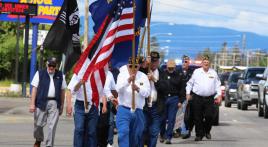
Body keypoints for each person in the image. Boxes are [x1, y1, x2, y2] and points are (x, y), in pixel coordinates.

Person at [29, 57, 67, 147]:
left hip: (54, 103)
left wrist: (62, 105)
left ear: (56, 66)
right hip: (41, 101)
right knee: (38, 125)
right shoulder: (40, 73)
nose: (51, 68)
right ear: (47, 64)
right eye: (50, 65)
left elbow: (62, 91)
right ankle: (38, 139)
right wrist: (32, 104)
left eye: (53, 66)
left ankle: (49, 145)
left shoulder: (61, 75)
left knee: (52, 126)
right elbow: (34, 89)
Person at [116, 57, 151, 147]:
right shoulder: (122, 75)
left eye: (136, 66)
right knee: (123, 132)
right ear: (128, 66)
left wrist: (138, 88)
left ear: (139, 66)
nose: (133, 69)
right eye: (131, 66)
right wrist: (128, 81)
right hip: (124, 109)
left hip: (138, 111)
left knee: (135, 136)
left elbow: (147, 93)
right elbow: (118, 89)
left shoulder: (143, 76)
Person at [186, 55, 222, 141]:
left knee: (209, 116)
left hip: (209, 98)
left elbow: (218, 85)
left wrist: (219, 95)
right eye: (204, 62)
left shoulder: (213, 73)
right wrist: (188, 93)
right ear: (202, 63)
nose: (206, 64)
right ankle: (199, 135)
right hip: (197, 98)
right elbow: (189, 84)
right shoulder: (196, 72)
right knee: (198, 117)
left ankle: (207, 131)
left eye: (207, 63)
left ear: (210, 64)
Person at [66, 74, 99, 147]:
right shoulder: (79, 73)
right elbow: (71, 90)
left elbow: (103, 88)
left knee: (92, 132)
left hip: (93, 105)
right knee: (79, 129)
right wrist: (80, 83)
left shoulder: (98, 71)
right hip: (80, 105)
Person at [142, 51, 165, 147]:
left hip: (156, 107)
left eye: (155, 61)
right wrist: (144, 62)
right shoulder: (142, 72)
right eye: (152, 61)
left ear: (158, 61)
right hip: (144, 106)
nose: (153, 63)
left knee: (154, 132)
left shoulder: (162, 73)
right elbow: (133, 65)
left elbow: (165, 88)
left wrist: (154, 79)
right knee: (144, 130)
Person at [158, 59, 182, 144]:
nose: (170, 69)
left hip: (174, 99)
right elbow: (159, 85)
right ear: (167, 67)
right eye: (169, 68)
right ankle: (162, 134)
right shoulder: (162, 74)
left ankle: (168, 137)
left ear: (174, 67)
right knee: (162, 119)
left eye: (172, 68)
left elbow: (182, 89)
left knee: (171, 119)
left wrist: (180, 101)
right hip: (163, 98)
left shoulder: (178, 75)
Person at [173, 55, 194, 139]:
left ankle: (185, 130)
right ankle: (178, 130)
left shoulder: (192, 72)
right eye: (183, 61)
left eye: (186, 61)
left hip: (188, 97)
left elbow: (194, 84)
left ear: (189, 62)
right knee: (178, 114)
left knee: (186, 115)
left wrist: (192, 95)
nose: (184, 63)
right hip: (178, 96)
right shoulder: (177, 71)